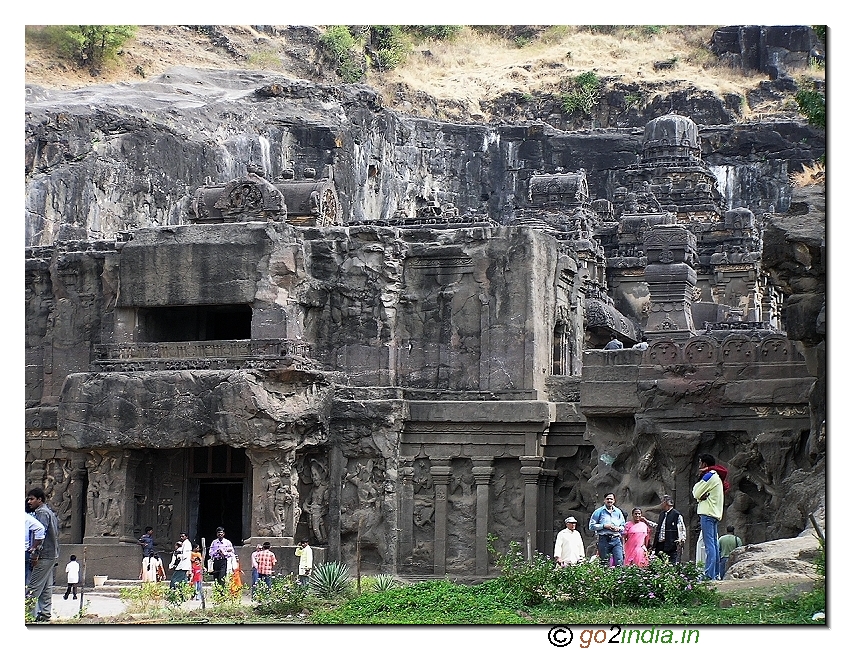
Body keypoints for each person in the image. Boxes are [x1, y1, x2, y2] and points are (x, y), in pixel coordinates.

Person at [26, 487, 60, 622]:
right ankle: (44, 615)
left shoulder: (41, 513)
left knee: (33, 587)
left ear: (40, 500)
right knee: (46, 588)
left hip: (43, 555)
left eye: (32, 499)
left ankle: (28, 616)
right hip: (52, 554)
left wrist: (35, 554)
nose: (29, 501)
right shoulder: (49, 512)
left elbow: (40, 534)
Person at [692, 453, 727, 580]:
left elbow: (696, 492)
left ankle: (708, 575)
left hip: (707, 513)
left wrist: (699, 496)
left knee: (709, 546)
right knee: (714, 544)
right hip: (714, 514)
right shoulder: (716, 476)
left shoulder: (709, 475)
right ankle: (716, 574)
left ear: (704, 464)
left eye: (700, 462)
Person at [646, 494, 686, 564]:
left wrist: (681, 540)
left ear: (666, 503)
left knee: (672, 563)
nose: (661, 504)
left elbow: (681, 528)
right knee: (659, 563)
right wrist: (646, 521)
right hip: (660, 544)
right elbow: (659, 527)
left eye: (662, 502)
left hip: (671, 543)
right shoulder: (662, 514)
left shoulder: (676, 514)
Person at [588, 493, 625, 566]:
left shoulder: (618, 512)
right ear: (604, 500)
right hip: (604, 539)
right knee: (604, 563)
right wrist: (604, 526)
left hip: (616, 539)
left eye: (611, 499)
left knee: (619, 561)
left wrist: (618, 528)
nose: (609, 500)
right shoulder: (598, 512)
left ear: (614, 501)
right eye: (607, 499)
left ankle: (619, 577)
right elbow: (591, 526)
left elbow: (623, 526)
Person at [25, 511, 45, 589]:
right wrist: (34, 546)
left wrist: (34, 547)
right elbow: (40, 528)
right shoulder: (26, 517)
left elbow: (40, 528)